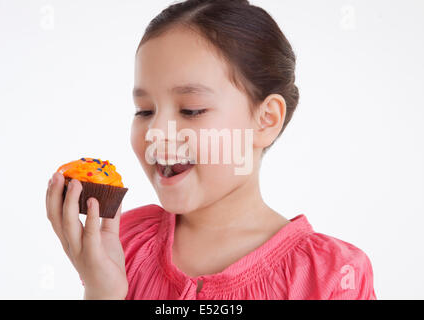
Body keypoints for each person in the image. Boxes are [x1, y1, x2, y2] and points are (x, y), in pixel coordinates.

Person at [46, 0, 376, 300]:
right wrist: (102, 291)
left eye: (191, 110)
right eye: (144, 110)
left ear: (265, 120)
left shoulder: (332, 276)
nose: (156, 132)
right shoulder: (121, 243)